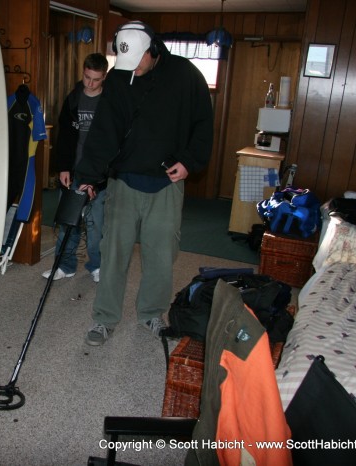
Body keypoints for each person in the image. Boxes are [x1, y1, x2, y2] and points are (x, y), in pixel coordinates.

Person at [75, 21, 214, 346]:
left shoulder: (185, 75)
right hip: (124, 182)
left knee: (161, 255)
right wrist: (88, 175)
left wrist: (190, 162)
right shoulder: (122, 76)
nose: (132, 68)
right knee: (113, 255)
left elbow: (203, 124)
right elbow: (105, 130)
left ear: (153, 50)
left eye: (138, 60)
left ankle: (152, 312)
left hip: (166, 182)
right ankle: (104, 319)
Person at [42, 53, 109, 283]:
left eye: (96, 79)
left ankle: (97, 265)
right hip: (74, 171)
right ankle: (65, 265)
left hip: (99, 175)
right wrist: (63, 168)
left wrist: (101, 178)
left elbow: (113, 144)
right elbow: (64, 139)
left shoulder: (110, 103)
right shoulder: (72, 99)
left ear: (104, 77)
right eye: (87, 77)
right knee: (68, 222)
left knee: (95, 225)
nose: (90, 83)